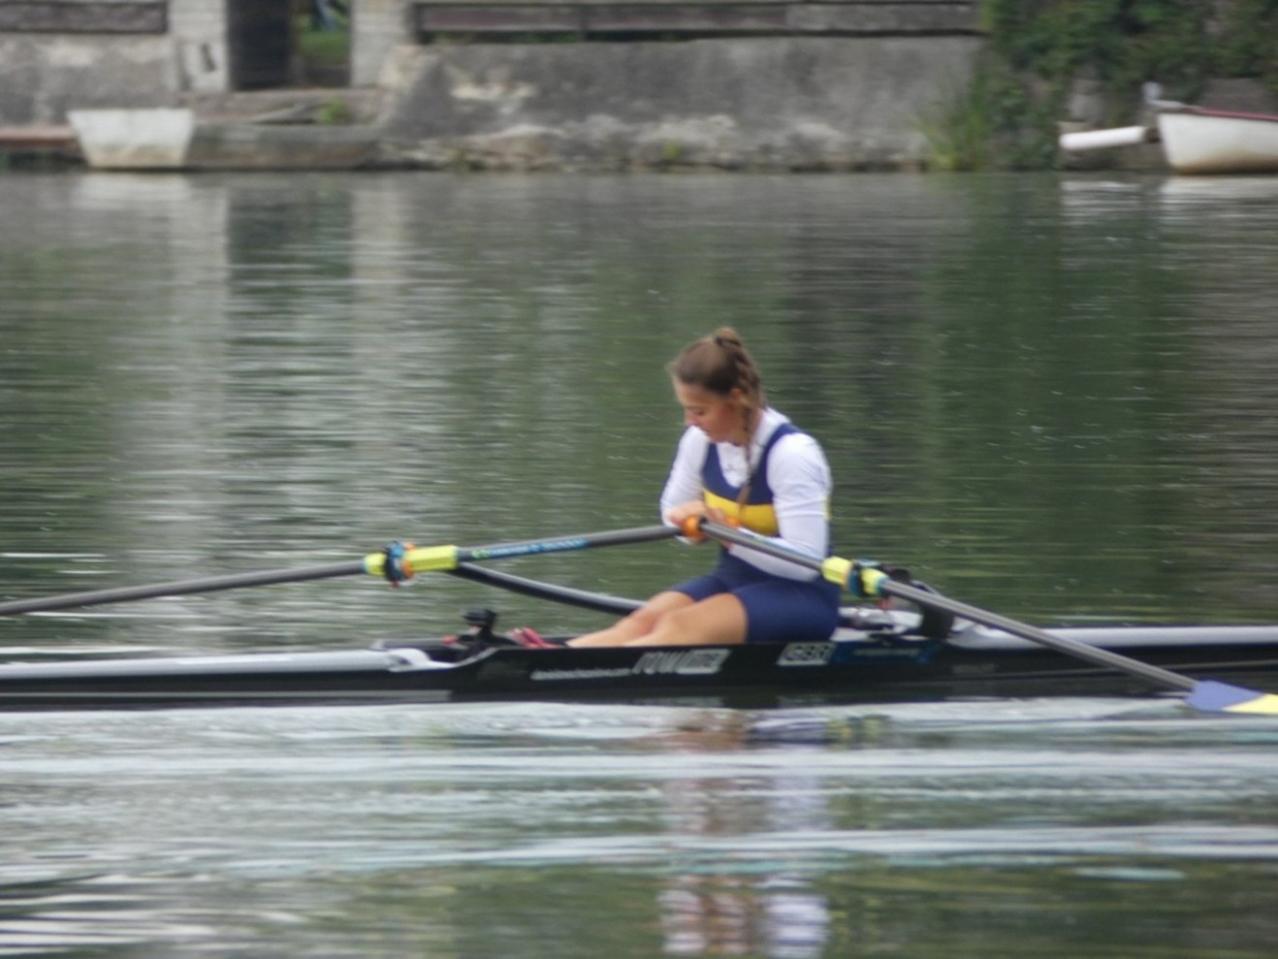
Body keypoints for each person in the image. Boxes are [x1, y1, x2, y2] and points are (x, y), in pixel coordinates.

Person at [569, 328, 840, 648]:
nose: (690, 421)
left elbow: (805, 563)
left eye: (699, 411)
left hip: (800, 596)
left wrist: (728, 533)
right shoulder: (698, 442)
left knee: (679, 625)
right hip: (732, 581)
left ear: (736, 398)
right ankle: (549, 657)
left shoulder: (792, 454)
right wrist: (689, 524)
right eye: (686, 409)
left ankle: (590, 672)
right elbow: (671, 514)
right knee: (641, 622)